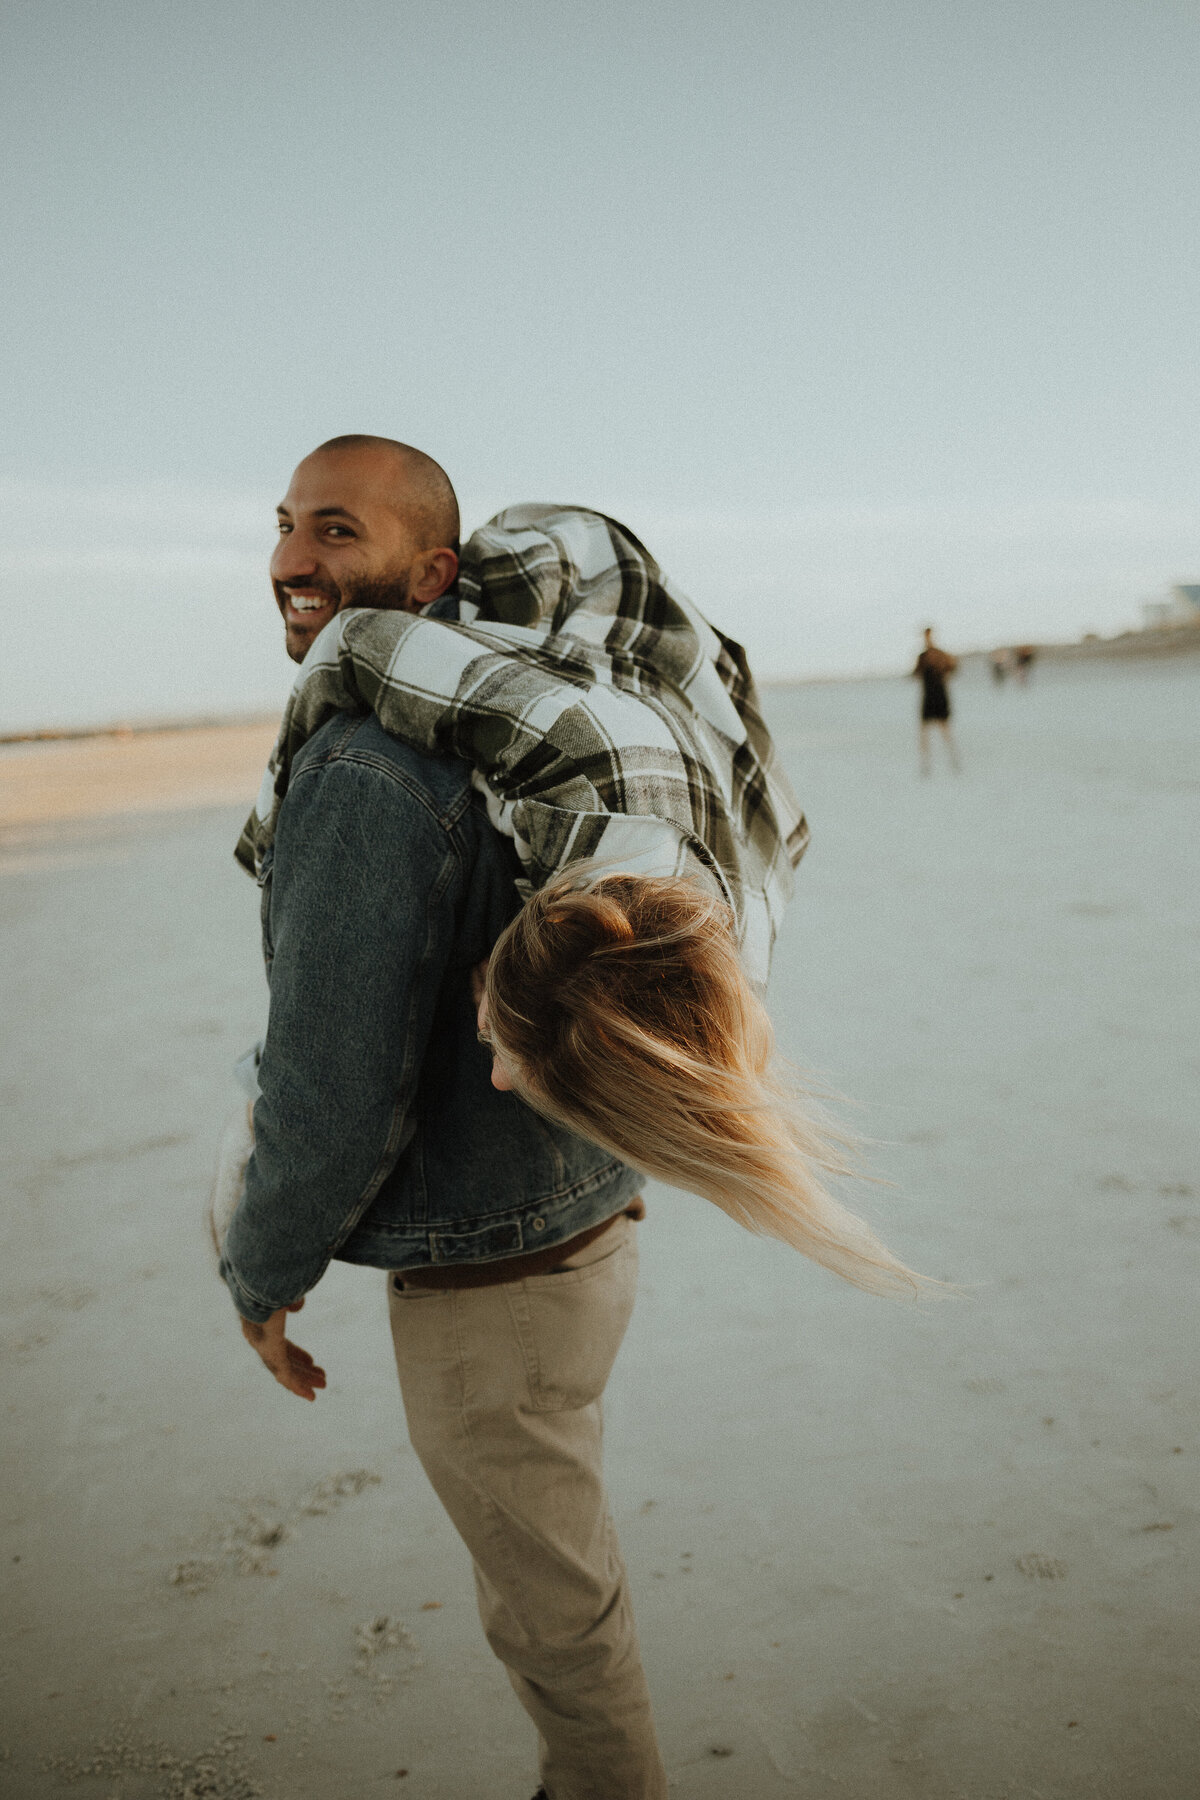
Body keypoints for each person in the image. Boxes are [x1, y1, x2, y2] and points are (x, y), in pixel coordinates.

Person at [221, 435, 668, 1799]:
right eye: (288, 525)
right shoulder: (508, 708)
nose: (294, 559)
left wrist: (264, 1267)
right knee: (556, 1559)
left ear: (431, 569)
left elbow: (331, 1080)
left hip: (495, 1273)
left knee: (550, 1604)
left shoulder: (366, 763)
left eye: (337, 531)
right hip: (585, 1215)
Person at [913, 626, 960, 774]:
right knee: (926, 730)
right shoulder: (925, 656)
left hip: (938, 694)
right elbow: (917, 673)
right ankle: (926, 764)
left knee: (943, 729)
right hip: (931, 695)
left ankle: (952, 760)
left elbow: (952, 668)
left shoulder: (939, 655)